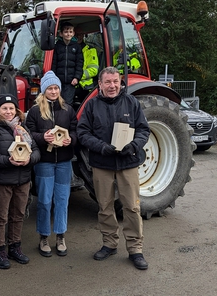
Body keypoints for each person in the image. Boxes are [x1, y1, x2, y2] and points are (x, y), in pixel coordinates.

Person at [77, 66, 150, 270]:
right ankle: (109, 244)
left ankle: (135, 249)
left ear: (120, 82)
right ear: (100, 84)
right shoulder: (91, 106)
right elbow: (83, 133)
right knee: (105, 206)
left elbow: (144, 129)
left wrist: (134, 145)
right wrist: (101, 147)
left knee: (132, 207)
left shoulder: (131, 102)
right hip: (102, 164)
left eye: (115, 81)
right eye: (107, 82)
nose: (112, 86)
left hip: (128, 163)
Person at [0, 93, 40, 269]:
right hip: (1, 181)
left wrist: (30, 160)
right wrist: (8, 161)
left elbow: (36, 150)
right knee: (1, 217)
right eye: (4, 108)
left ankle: (15, 247)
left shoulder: (23, 129)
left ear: (16, 110)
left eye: (11, 108)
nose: (8, 111)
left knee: (18, 215)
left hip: (22, 180)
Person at [26, 70, 77, 257]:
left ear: (60, 90)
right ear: (43, 90)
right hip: (45, 163)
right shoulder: (35, 111)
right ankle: (44, 236)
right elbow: (28, 134)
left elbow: (75, 130)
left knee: (62, 200)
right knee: (45, 200)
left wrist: (71, 139)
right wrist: (42, 137)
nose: (53, 91)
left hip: (64, 161)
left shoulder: (68, 110)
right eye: (50, 88)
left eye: (56, 88)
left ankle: (61, 236)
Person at [51, 21, 84, 106]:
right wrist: (53, 77)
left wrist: (77, 77)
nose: (68, 34)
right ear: (61, 34)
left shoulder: (76, 47)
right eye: (65, 32)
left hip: (71, 82)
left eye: (70, 32)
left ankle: (67, 118)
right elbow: (54, 63)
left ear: (73, 33)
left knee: (68, 103)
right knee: (58, 102)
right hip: (59, 81)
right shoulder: (57, 46)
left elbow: (79, 64)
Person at [75, 31, 100, 102]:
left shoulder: (90, 50)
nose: (78, 36)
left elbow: (94, 70)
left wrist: (77, 76)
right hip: (70, 84)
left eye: (80, 34)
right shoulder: (67, 49)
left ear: (83, 35)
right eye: (76, 34)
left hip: (85, 86)